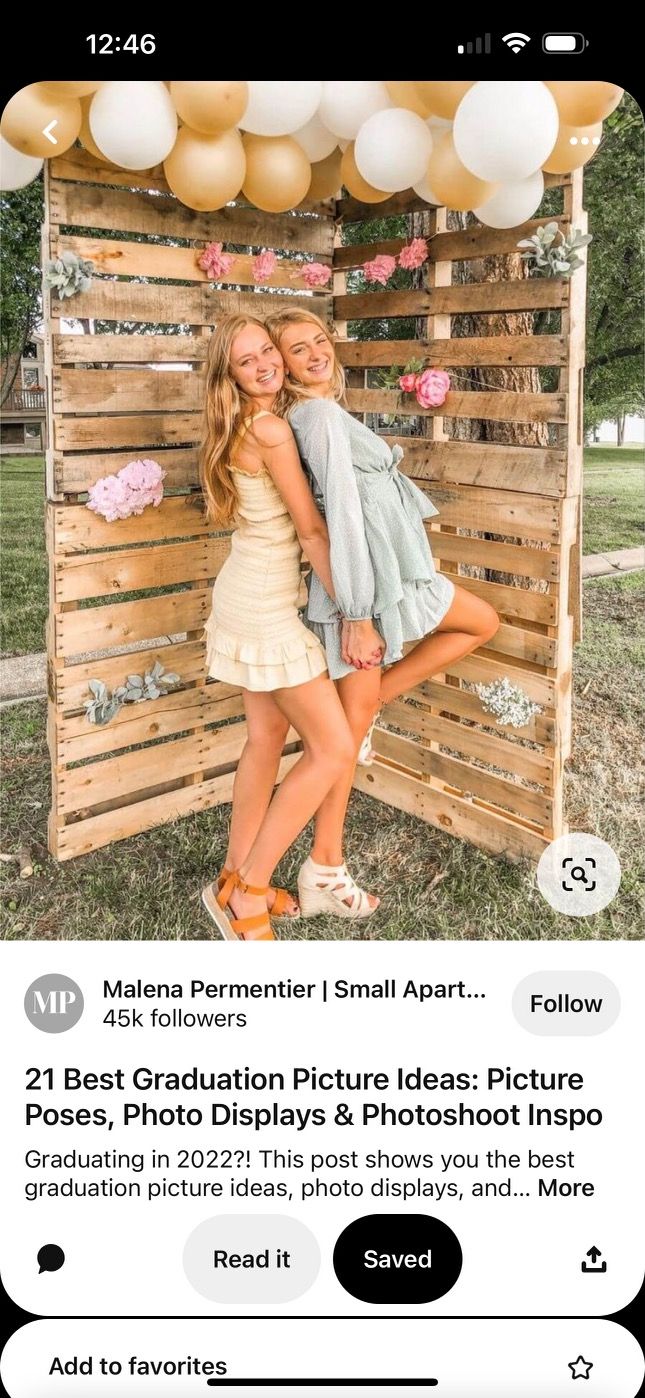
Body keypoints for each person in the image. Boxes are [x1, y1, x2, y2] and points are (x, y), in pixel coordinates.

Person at [264, 307, 500, 895]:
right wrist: (357, 613)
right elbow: (340, 511)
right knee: (344, 734)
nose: (316, 353)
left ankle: (364, 719)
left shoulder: (324, 410)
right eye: (298, 349)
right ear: (283, 365)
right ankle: (324, 866)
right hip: (363, 584)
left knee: (478, 623)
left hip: (397, 573)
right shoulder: (314, 414)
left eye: (320, 341)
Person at [198, 314, 375, 941]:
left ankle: (229, 876)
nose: (266, 364)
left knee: (266, 739)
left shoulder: (243, 422)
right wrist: (357, 610)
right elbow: (311, 531)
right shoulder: (270, 428)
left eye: (267, 351)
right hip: (267, 606)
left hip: (244, 594)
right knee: (331, 748)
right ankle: (246, 896)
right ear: (231, 374)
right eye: (247, 361)